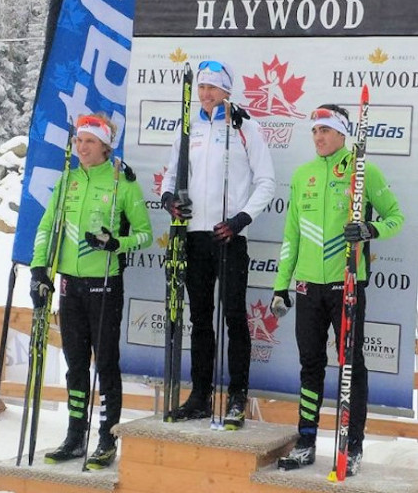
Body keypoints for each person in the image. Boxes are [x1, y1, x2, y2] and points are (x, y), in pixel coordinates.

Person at [272, 103, 404, 476]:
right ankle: (306, 441)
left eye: (326, 130)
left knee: (351, 366)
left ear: (343, 134)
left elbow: (395, 216)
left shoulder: (361, 171)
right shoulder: (302, 175)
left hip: (346, 284)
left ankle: (353, 444)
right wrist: (281, 285)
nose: (319, 137)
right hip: (307, 287)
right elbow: (291, 236)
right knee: (310, 365)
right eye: (314, 130)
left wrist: (370, 230)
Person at [30, 112, 152, 469]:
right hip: (69, 283)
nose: (82, 147)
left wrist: (116, 243)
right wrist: (39, 269)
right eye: (79, 140)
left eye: (90, 141)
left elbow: (144, 234)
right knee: (75, 364)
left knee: (107, 364)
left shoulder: (122, 183)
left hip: (104, 284)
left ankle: (106, 437)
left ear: (105, 147)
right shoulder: (67, 180)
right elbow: (47, 226)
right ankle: (74, 434)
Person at [161, 60, 275, 428]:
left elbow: (267, 182)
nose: (206, 94)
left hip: (228, 237)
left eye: (214, 87)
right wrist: (170, 201)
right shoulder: (187, 126)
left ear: (228, 91)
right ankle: (200, 395)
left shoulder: (245, 127)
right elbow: (168, 178)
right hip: (193, 237)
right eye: (202, 87)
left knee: (234, 317)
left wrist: (241, 219)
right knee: (199, 318)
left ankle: (238, 394)